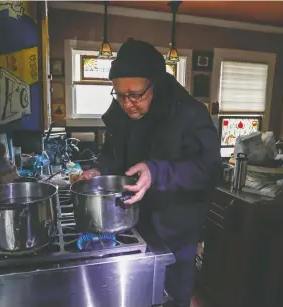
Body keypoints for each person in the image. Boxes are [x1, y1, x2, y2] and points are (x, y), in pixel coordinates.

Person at [79, 38, 222, 307]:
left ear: (155, 83)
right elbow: (111, 152)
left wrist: (156, 172)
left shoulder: (190, 114)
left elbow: (209, 169)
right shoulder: (120, 113)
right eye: (120, 94)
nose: (127, 103)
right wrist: (99, 170)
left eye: (135, 94)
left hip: (175, 230)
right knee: (137, 295)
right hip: (133, 226)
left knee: (174, 297)